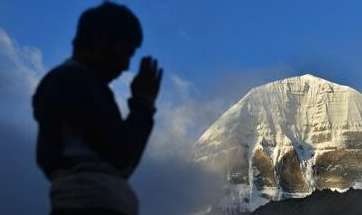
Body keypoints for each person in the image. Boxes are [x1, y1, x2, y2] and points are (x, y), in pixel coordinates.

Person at [32, 2, 162, 215]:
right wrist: (142, 105)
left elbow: (120, 162)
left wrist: (144, 105)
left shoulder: (81, 84)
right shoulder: (71, 82)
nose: (126, 65)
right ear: (100, 41)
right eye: (124, 52)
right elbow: (120, 155)